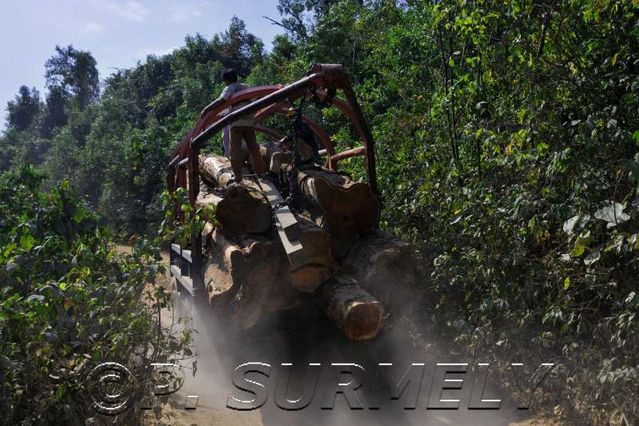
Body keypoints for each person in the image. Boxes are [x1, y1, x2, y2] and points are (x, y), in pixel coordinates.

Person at [202, 68, 266, 181]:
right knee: (253, 148)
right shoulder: (245, 86)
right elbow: (256, 98)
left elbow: (221, 100)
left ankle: (238, 178)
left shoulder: (230, 87)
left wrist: (206, 110)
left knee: (234, 150)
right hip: (249, 118)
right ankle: (261, 174)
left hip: (237, 118)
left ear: (225, 80)